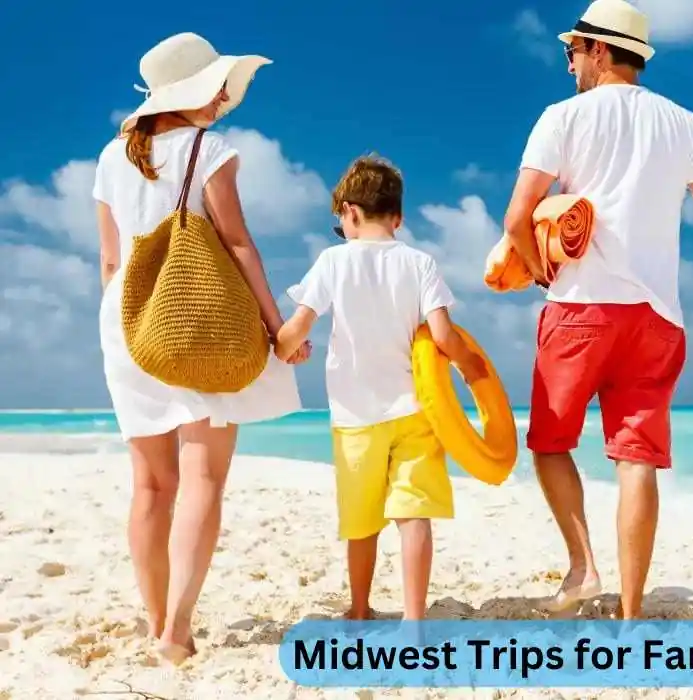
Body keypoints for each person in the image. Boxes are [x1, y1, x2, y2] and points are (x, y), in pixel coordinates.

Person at [500, 0, 693, 619]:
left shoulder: (562, 117)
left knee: (550, 442)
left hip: (579, 309)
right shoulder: (685, 123)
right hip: (657, 316)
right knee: (637, 459)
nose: (569, 64)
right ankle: (632, 612)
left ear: (600, 50)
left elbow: (516, 219)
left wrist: (539, 271)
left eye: (573, 51)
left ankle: (583, 567)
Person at [92, 33, 305, 664]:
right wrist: (276, 327)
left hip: (127, 321)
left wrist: (132, 326)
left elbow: (110, 261)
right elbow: (237, 245)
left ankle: (157, 619)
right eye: (215, 87)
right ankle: (177, 630)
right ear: (190, 91)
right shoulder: (209, 150)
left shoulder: (110, 156)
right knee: (203, 477)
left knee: (151, 485)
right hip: (196, 317)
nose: (222, 99)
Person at [273, 155, 488, 621]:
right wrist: (474, 371)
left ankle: (359, 609)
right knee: (414, 515)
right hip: (415, 409)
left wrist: (283, 349)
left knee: (361, 521)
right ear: (398, 217)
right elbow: (444, 335)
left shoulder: (333, 261)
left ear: (349, 212)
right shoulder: (420, 263)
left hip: (355, 416)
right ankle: (413, 620)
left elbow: (298, 326)